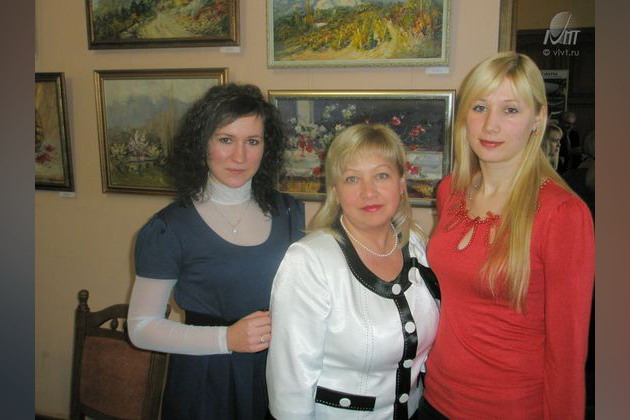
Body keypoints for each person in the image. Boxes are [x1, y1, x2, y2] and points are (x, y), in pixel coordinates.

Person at [419, 52, 595, 419]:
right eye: (480, 107)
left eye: (510, 110)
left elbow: (568, 352)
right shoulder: (451, 191)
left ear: (538, 119)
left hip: (510, 408)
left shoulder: (561, 214)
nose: (490, 125)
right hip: (435, 397)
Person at [127, 83, 305, 420]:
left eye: (252, 141)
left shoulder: (289, 212)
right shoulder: (168, 228)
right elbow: (141, 328)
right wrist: (227, 339)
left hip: (277, 375)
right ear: (202, 143)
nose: (240, 156)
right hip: (206, 380)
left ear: (266, 147)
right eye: (226, 140)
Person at [266, 123, 440, 419]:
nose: (368, 192)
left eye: (381, 175)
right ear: (336, 191)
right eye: (352, 179)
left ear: (401, 183)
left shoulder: (416, 246)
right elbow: (289, 384)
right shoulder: (309, 261)